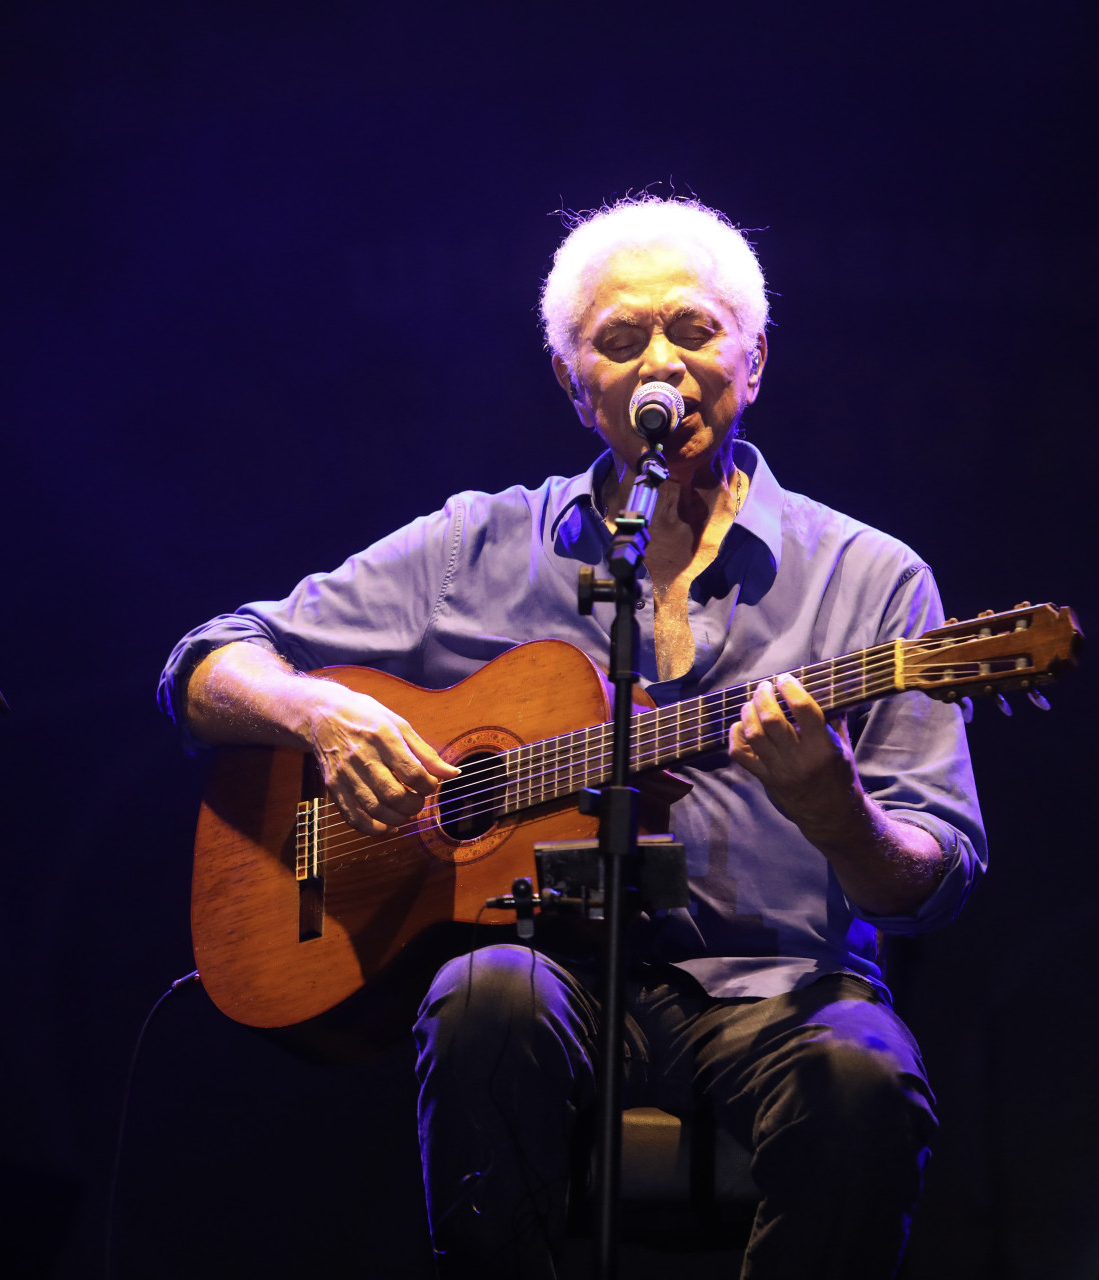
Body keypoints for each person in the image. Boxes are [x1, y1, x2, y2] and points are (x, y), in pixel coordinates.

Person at [156, 195, 985, 1278]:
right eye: (621, 339)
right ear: (570, 376)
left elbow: (933, 878)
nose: (662, 367)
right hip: (561, 982)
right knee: (483, 993)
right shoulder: (474, 547)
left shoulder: (875, 579)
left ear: (755, 357)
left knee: (867, 1070)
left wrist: (840, 810)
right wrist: (323, 713)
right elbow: (207, 661)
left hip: (787, 991)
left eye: (694, 330)